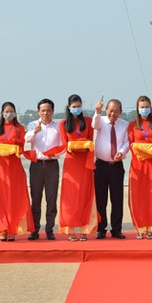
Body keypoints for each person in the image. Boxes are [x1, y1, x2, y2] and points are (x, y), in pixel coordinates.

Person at [0, 102, 33, 241]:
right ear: (2, 113)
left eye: (11, 111)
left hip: (15, 167)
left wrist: (12, 148)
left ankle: (13, 229)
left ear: (15, 113)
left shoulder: (20, 128)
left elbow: (21, 147)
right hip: (1, 168)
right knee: (2, 199)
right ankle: (3, 228)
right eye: (6, 111)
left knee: (15, 198)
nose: (9, 114)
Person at [58, 94, 98, 241]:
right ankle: (70, 230)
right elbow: (65, 145)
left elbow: (91, 141)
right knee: (70, 197)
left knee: (85, 195)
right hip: (71, 164)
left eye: (79, 106)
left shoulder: (88, 121)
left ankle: (84, 230)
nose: (76, 109)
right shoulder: (63, 124)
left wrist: (84, 145)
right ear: (69, 107)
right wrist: (78, 145)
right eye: (74, 107)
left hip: (85, 163)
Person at [127, 95, 152, 239]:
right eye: (142, 107)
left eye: (147, 107)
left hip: (151, 166)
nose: (144, 109)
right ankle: (139, 227)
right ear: (137, 109)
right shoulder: (132, 125)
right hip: (137, 166)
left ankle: (150, 227)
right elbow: (130, 144)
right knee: (137, 198)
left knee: (151, 196)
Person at [92, 98, 129, 240]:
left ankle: (116, 228)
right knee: (101, 199)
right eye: (110, 110)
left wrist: (122, 152)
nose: (113, 113)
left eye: (116, 111)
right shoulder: (100, 120)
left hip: (116, 166)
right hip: (100, 165)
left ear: (120, 112)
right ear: (106, 110)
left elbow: (126, 142)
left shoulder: (124, 125)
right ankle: (101, 228)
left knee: (117, 198)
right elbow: (94, 125)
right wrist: (97, 111)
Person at [25, 98, 62, 240]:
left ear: (53, 111)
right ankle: (34, 229)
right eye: (43, 110)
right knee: (36, 198)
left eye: (48, 110)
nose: (45, 113)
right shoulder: (32, 124)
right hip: (37, 165)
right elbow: (27, 140)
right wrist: (35, 131)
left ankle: (49, 229)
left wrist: (56, 154)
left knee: (51, 198)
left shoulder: (58, 127)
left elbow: (62, 145)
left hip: (52, 164)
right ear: (38, 111)